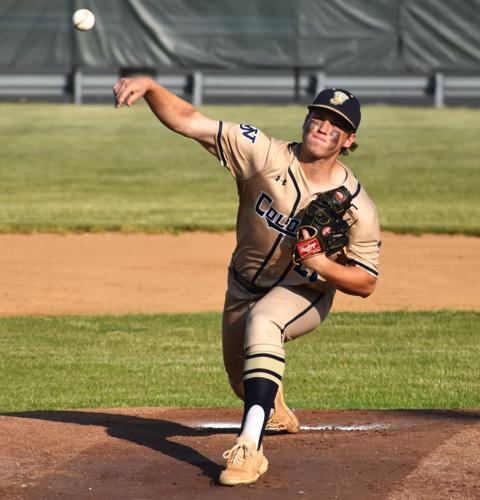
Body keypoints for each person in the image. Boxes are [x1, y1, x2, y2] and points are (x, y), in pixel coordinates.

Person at [113, 77, 381, 486]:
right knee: (242, 381)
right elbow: (190, 121)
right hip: (243, 284)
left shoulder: (357, 206)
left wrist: (322, 265)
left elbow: (365, 282)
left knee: (265, 323)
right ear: (307, 118)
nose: (324, 126)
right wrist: (150, 86)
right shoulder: (263, 153)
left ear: (348, 140)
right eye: (319, 115)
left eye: (336, 124)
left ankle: (249, 448)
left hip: (304, 290)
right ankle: (273, 406)